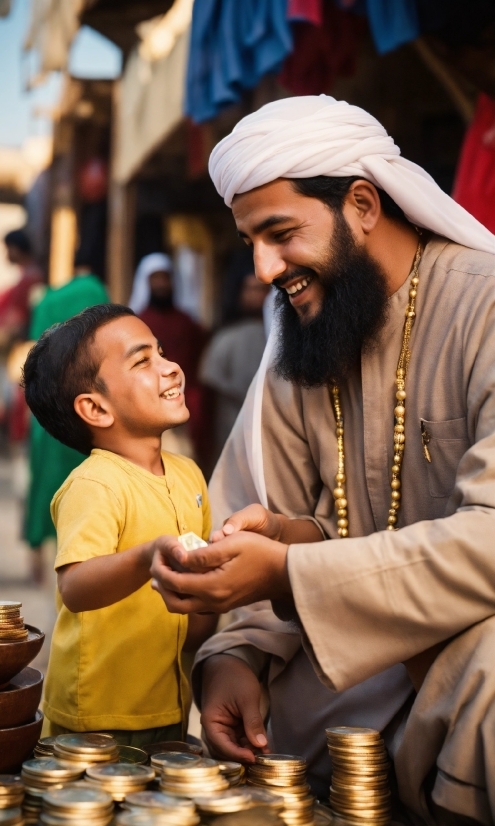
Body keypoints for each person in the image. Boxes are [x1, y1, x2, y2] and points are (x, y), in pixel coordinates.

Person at [149, 96, 495, 824]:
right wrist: (234, 657)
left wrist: (290, 572)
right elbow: (250, 510)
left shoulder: (482, 307)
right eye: (249, 241)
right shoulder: (301, 338)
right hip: (343, 669)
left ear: (363, 204)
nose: (264, 267)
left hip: (466, 659)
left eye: (279, 234)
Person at [22, 304, 215, 744]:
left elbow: (199, 612)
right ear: (95, 408)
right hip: (97, 717)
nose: (171, 368)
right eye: (143, 361)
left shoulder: (188, 474)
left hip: (169, 704)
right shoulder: (95, 484)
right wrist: (147, 557)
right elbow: (75, 586)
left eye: (162, 353)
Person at [24, 251, 109, 583]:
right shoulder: (99, 294)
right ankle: (83, 559)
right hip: (88, 406)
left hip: (47, 407)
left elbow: (33, 348)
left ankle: (36, 560)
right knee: (89, 482)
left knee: (43, 483)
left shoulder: (49, 299)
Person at [129, 253, 208, 462]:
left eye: (166, 278)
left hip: (185, 404)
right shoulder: (137, 323)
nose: (162, 284)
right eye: (156, 278)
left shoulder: (187, 323)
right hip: (147, 405)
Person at [200, 268, 269, 459]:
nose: (256, 295)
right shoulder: (225, 338)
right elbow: (210, 381)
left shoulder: (281, 338)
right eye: (250, 289)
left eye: (261, 289)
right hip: (232, 427)